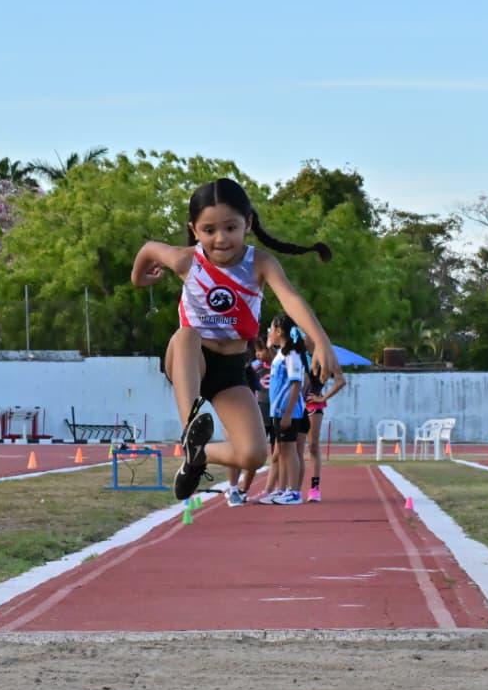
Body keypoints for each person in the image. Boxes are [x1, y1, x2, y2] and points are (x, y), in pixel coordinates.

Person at [132, 178, 341, 501]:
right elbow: (148, 249)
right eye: (209, 230)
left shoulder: (259, 263)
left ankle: (198, 455)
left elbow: (291, 300)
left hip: (229, 369)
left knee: (253, 455)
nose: (221, 239)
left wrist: (321, 341)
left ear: (248, 223)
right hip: (191, 359)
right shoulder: (186, 259)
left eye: (231, 228)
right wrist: (139, 278)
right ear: (194, 229)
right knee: (187, 334)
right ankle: (190, 427)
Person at [259, 316, 308, 505]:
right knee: (282, 451)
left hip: (289, 411)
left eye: (271, 329)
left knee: (289, 451)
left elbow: (296, 385)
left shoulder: (292, 355)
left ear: (279, 331)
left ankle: (294, 492)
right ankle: (284, 489)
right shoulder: (280, 354)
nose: (269, 333)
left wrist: (288, 413)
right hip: (277, 411)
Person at [226, 339, 272, 506]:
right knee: (235, 450)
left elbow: (258, 390)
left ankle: (242, 489)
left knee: (253, 454)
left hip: (250, 415)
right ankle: (232, 489)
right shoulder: (225, 370)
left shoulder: (251, 370)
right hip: (232, 413)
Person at [303, 335, 346, 503]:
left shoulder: (327, 357)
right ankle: (289, 487)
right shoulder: (297, 353)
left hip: (313, 405)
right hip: (296, 405)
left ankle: (314, 488)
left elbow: (341, 381)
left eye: (306, 335)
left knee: (312, 445)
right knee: (293, 448)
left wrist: (323, 398)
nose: (303, 338)